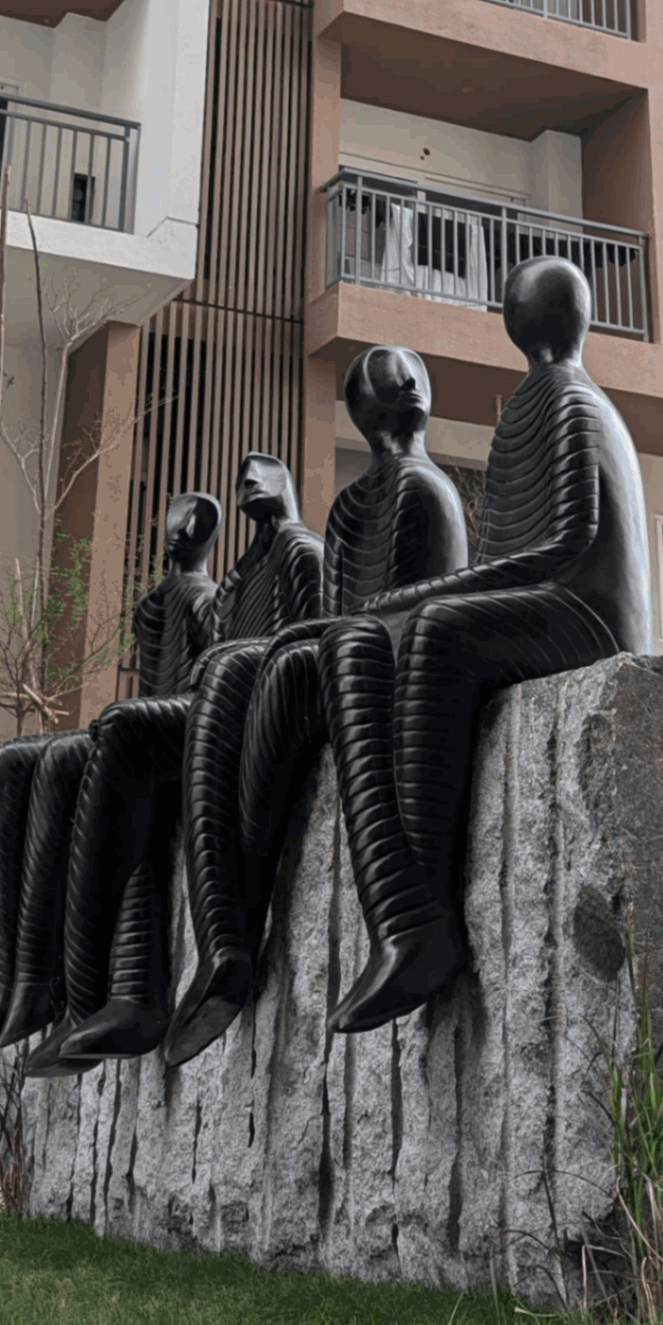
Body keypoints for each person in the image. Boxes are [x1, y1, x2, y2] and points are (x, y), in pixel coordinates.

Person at [322, 256, 651, 1036]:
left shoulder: (571, 399)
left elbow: (567, 541)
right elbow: (504, 558)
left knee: (434, 629)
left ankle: (427, 915)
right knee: (369, 644)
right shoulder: (525, 408)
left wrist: (422, 595)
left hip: (587, 614)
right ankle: (403, 919)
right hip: (546, 597)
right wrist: (411, 601)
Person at [165, 345, 467, 1068]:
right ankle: (224, 943)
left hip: (390, 662)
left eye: (410, 374)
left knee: (269, 661)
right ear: (363, 409)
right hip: (339, 654)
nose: (405, 383)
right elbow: (332, 615)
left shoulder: (429, 490)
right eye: (388, 378)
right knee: (232, 675)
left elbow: (431, 607)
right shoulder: (351, 504)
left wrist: (302, 637)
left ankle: (274, 919)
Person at [41, 453, 322, 1065]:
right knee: (64, 758)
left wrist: (222, 664)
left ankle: (127, 987)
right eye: (242, 472)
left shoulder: (301, 551)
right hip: (216, 698)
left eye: (263, 472)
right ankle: (62, 993)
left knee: (121, 732)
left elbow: (310, 637)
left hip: (252, 702)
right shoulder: (237, 577)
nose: (249, 481)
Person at [0, 487, 220, 1062]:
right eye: (172, 520)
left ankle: (95, 995)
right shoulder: (154, 603)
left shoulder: (208, 600)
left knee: (96, 760)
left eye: (191, 521)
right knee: (12, 761)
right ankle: (20, 983)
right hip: (148, 721)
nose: (178, 531)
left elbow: (214, 680)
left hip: (183, 727)